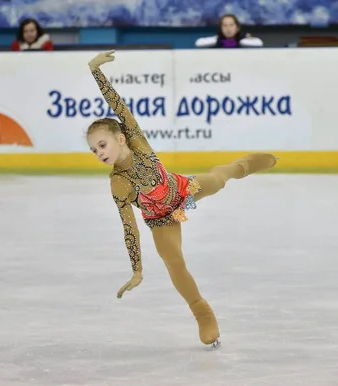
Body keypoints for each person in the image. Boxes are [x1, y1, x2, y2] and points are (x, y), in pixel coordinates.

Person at [86, 50, 277, 349]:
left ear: (120, 138)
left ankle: (243, 165)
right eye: (94, 151)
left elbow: (117, 104)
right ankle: (202, 312)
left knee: (219, 180)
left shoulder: (135, 139)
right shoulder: (118, 183)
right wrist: (137, 269)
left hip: (184, 191)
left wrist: (95, 70)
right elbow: (130, 228)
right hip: (164, 219)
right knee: (175, 263)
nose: (99, 153)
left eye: (101, 144)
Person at [195, 14, 263, 48]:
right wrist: (222, 42)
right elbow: (198, 43)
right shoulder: (217, 39)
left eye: (231, 25)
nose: (228, 28)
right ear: (221, 28)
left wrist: (238, 41)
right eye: (225, 25)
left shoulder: (243, 37)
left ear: (237, 27)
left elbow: (259, 43)